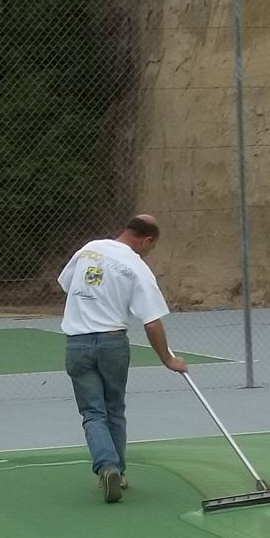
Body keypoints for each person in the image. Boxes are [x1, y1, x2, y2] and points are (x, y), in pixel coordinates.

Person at [58, 214, 187, 503]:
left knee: (93, 412)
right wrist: (168, 359)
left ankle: (107, 467)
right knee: (113, 409)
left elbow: (67, 284)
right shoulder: (138, 268)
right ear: (147, 240)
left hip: (77, 344)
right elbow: (151, 322)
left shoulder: (88, 249)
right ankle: (118, 471)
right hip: (112, 343)